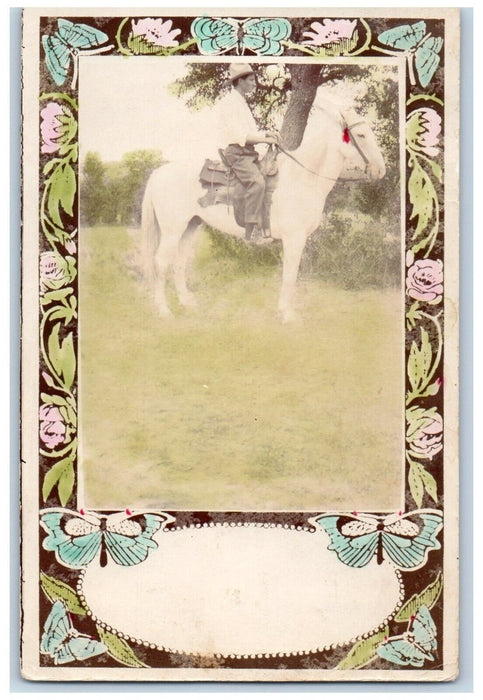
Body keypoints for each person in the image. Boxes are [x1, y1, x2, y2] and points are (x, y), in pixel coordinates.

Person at [216, 64, 278, 241]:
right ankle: (250, 233)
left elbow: (252, 131)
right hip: (236, 152)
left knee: (267, 178)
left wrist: (267, 133)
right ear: (240, 81)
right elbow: (242, 136)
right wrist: (266, 140)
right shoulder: (229, 103)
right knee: (257, 183)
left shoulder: (241, 102)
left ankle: (266, 226)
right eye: (251, 80)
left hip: (246, 152)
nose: (254, 83)